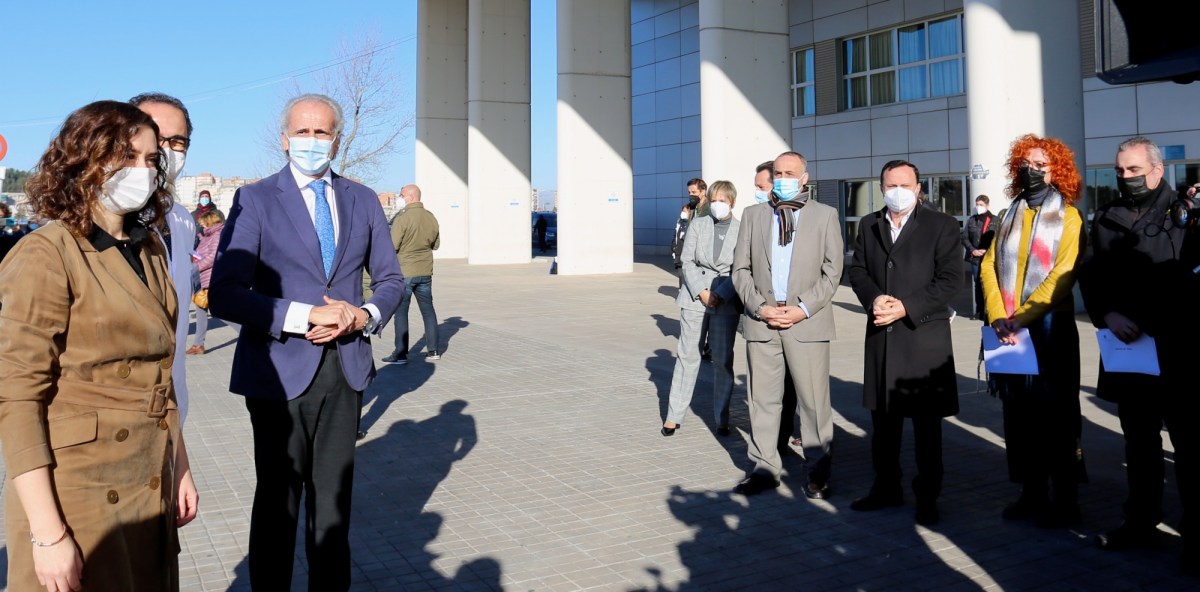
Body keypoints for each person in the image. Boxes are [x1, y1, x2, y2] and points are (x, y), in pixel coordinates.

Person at [208, 93, 405, 591]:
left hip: (345, 371)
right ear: (284, 139)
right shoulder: (254, 199)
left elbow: (391, 281)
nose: (312, 142)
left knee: (334, 508)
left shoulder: (362, 199)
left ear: (336, 139)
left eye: (322, 133)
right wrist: (302, 316)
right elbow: (227, 293)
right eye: (303, 132)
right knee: (278, 505)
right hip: (277, 374)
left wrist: (362, 315)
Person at [0, 100, 199, 591]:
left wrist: (181, 465)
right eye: (125, 156)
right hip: (77, 492)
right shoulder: (47, 252)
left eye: (151, 159)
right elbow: (16, 398)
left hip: (147, 476)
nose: (143, 170)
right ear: (83, 159)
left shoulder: (148, 246)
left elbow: (161, 375)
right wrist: (46, 535)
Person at [1079, 136, 1198, 574]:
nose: (1126, 178)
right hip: (1129, 352)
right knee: (1140, 442)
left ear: (1157, 169)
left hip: (1180, 350)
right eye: (1120, 171)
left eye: (1134, 170)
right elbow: (1092, 275)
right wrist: (1106, 313)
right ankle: (1140, 523)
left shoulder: (1187, 215)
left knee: (1189, 446)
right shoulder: (1107, 217)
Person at [847, 160, 962, 526]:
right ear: (881, 188)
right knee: (883, 424)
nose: (897, 191)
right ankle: (886, 487)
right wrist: (874, 299)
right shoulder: (870, 224)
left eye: (904, 184)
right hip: (882, 335)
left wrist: (906, 307)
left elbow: (950, 280)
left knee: (927, 428)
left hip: (922, 338)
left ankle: (927, 496)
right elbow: (859, 270)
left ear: (918, 188)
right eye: (889, 185)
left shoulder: (941, 225)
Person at [980, 133, 1086, 528]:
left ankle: (1066, 499)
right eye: (1026, 163)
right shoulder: (1009, 214)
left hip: (1048, 332)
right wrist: (997, 315)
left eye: (1041, 164)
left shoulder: (1069, 217)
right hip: (1007, 329)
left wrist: (1020, 317)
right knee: (1019, 418)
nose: (1032, 170)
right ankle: (1031, 491)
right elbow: (989, 266)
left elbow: (1062, 274)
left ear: (1057, 170)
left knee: (1057, 419)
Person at [731, 151, 843, 498]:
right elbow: (741, 269)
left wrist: (802, 309)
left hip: (805, 322)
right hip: (763, 322)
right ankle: (764, 467)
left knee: (813, 403)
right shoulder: (753, 215)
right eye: (778, 172)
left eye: (789, 173)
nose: (782, 178)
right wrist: (760, 307)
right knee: (763, 401)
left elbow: (832, 271)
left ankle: (817, 473)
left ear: (804, 178)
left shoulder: (825, 216)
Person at [132, 92, 200, 423]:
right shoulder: (87, 222)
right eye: (156, 137)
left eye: (177, 142)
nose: (165, 150)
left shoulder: (182, 219)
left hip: (171, 402)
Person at [661, 180, 742, 437]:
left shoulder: (742, 230)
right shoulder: (698, 223)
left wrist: (720, 293)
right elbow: (687, 260)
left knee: (723, 361)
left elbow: (741, 268)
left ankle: (722, 417)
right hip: (695, 299)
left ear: (732, 202)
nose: (718, 205)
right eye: (715, 199)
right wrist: (702, 292)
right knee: (687, 358)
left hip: (725, 301)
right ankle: (674, 416)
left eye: (723, 201)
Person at [383, 184, 442, 364]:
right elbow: (436, 245)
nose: (400, 198)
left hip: (405, 272)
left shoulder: (403, 218)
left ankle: (400, 353)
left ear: (410, 196)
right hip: (425, 271)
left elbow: (392, 246)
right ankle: (433, 350)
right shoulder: (430, 217)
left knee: (401, 313)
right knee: (428, 310)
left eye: (402, 195)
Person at [188, 210, 226, 355]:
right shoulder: (207, 235)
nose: (201, 225)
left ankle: (250, 335)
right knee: (200, 311)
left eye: (203, 222)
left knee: (223, 312)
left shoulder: (216, 235)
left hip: (210, 279)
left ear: (210, 221)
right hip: (202, 279)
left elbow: (213, 257)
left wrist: (196, 266)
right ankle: (198, 345)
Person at [961, 194, 998, 320]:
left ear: (987, 205)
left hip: (989, 257)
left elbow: (997, 238)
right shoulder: (972, 220)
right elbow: (964, 237)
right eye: (977, 205)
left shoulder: (994, 220)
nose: (978, 207)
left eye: (981, 205)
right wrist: (972, 250)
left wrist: (986, 250)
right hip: (975, 258)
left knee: (989, 283)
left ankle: (990, 310)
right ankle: (979, 311)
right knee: (977, 284)